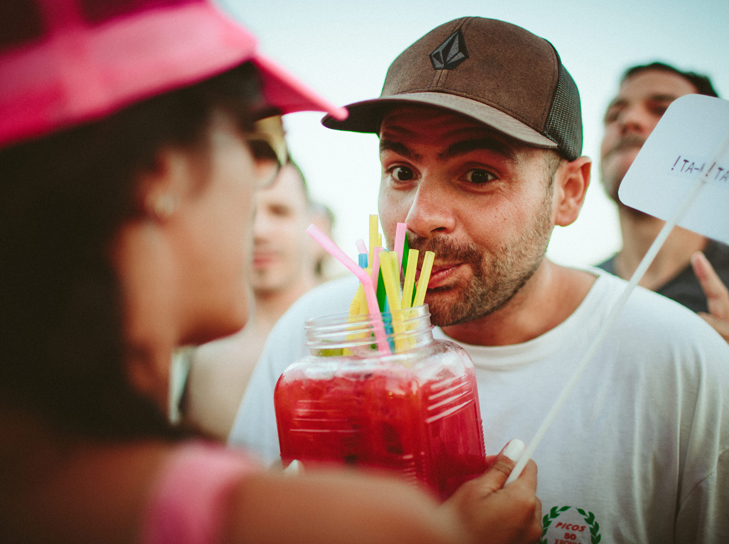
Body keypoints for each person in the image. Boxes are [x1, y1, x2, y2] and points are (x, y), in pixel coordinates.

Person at [230, 16, 729, 542]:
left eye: (477, 174)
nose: (417, 216)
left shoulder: (686, 369)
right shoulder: (317, 345)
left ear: (569, 193)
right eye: (401, 170)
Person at [0, 2, 544, 543]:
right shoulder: (323, 523)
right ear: (156, 173)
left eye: (476, 174)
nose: (261, 191)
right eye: (256, 142)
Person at [596, 60, 729, 541]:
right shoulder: (579, 294)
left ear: (718, 148)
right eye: (615, 112)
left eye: (663, 110)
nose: (628, 121)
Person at [183, 151, 330, 440]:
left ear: (318, 228)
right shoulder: (204, 356)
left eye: (279, 211)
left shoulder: (359, 331)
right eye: (244, 214)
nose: (260, 231)